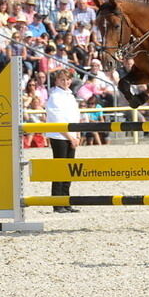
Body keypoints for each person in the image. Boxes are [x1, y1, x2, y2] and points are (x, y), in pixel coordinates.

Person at [45, 69, 81, 213]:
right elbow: (57, 118)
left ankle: (66, 201)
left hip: (71, 135)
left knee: (68, 170)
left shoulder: (70, 95)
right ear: (56, 81)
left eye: (67, 80)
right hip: (60, 136)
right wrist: (70, 136)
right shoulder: (55, 96)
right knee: (60, 170)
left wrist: (76, 135)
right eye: (62, 80)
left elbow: (75, 116)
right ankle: (57, 203)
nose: (65, 82)